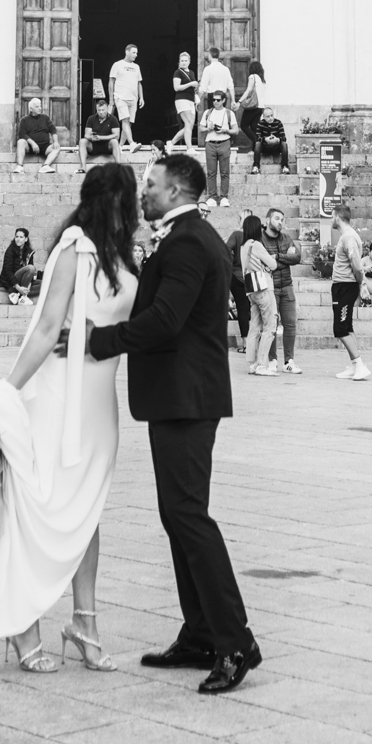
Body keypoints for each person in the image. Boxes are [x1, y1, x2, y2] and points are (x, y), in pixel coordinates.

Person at [0, 161, 140, 673]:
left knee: (87, 512)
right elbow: (47, 327)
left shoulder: (124, 256)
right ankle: (22, 624)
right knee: (38, 508)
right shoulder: (74, 248)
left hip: (99, 405)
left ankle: (85, 624)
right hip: (60, 395)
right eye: (125, 198)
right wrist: (8, 389)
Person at [88, 153, 260, 693]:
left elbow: (165, 319)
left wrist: (99, 341)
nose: (144, 192)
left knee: (189, 516)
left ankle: (235, 641)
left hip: (188, 399)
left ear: (178, 190)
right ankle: (201, 632)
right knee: (178, 515)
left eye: (152, 184)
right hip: (179, 397)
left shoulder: (188, 242)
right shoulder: (187, 237)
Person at [330, 201, 370, 381]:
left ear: (338, 217)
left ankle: (360, 365)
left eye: (332, 216)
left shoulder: (348, 237)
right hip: (342, 286)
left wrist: (361, 284)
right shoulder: (347, 236)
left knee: (340, 329)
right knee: (347, 326)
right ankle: (355, 365)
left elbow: (356, 264)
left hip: (345, 286)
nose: (331, 220)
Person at [261, 205, 302, 375]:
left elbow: (297, 257)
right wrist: (286, 258)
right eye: (277, 218)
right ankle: (272, 361)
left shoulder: (286, 238)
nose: (280, 222)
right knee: (271, 325)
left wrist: (277, 257)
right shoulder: (260, 240)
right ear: (267, 220)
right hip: (269, 288)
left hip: (287, 286)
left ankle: (288, 362)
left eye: (282, 220)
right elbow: (263, 262)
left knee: (290, 324)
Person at [239, 213, 278, 377]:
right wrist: (271, 259)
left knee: (254, 327)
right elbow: (273, 265)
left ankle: (253, 363)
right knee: (270, 326)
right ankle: (262, 364)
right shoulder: (256, 245)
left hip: (251, 290)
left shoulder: (243, 246)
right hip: (264, 288)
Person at [201, 89, 238, 201]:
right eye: (214, 100)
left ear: (223, 100)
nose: (215, 102)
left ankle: (224, 197)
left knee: (224, 172)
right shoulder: (207, 112)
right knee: (211, 172)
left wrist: (225, 130)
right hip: (210, 143)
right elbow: (201, 128)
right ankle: (212, 196)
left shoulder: (229, 113)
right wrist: (209, 128)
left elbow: (236, 130)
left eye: (218, 100)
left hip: (224, 142)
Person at [222, 213, 251, 350]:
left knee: (242, 309)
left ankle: (246, 344)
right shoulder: (256, 238)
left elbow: (226, 249)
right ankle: (254, 342)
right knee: (252, 309)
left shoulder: (236, 235)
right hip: (252, 276)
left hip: (237, 276)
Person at [108, 45, 144, 151]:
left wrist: (141, 98)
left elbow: (139, 83)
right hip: (121, 97)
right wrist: (111, 99)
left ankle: (120, 146)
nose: (136, 55)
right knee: (125, 120)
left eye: (136, 53)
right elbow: (111, 82)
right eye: (134, 52)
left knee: (129, 123)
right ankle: (132, 143)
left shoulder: (137, 67)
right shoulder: (117, 64)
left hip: (133, 98)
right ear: (127, 52)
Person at [15, 98, 59, 172]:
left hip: (44, 146)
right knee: (20, 141)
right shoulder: (24, 120)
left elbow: (53, 130)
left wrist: (56, 141)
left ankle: (45, 166)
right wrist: (33, 143)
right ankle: (19, 166)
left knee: (57, 148)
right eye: (37, 107)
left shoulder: (45, 118)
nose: (40, 108)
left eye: (40, 106)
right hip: (30, 147)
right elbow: (22, 134)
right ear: (31, 109)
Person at [196, 48, 235, 132]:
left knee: (212, 118)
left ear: (209, 55)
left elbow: (203, 88)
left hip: (212, 97)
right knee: (223, 117)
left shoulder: (208, 69)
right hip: (222, 97)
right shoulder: (225, 69)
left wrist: (197, 100)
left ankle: (213, 136)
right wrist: (233, 101)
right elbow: (231, 86)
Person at [236, 61, 267, 164]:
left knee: (244, 125)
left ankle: (258, 142)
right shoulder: (262, 80)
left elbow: (248, 90)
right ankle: (254, 149)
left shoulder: (252, 76)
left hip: (253, 106)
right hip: (260, 107)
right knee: (254, 128)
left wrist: (239, 101)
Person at [0, 229, 35, 305]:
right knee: (31, 268)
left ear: (26, 239)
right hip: (12, 283)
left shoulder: (29, 252)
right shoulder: (10, 250)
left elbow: (30, 275)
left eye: (21, 237)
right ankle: (23, 296)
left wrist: (27, 287)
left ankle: (19, 295)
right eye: (16, 236)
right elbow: (7, 272)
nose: (18, 239)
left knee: (44, 284)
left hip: (23, 281)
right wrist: (19, 288)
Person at [168, 53, 198, 148]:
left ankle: (171, 143)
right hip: (182, 99)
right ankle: (189, 148)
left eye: (185, 61)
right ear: (179, 62)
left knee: (190, 126)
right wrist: (190, 84)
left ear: (189, 62)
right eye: (182, 61)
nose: (184, 63)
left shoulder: (192, 72)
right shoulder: (178, 72)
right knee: (188, 123)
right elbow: (176, 87)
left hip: (191, 100)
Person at [251, 109, 290, 174]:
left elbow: (284, 138)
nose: (270, 118)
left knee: (284, 144)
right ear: (263, 117)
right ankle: (256, 166)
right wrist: (265, 139)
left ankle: (285, 166)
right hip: (265, 147)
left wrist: (277, 139)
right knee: (257, 144)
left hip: (276, 147)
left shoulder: (278, 123)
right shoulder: (260, 123)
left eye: (272, 115)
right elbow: (257, 138)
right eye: (268, 116)